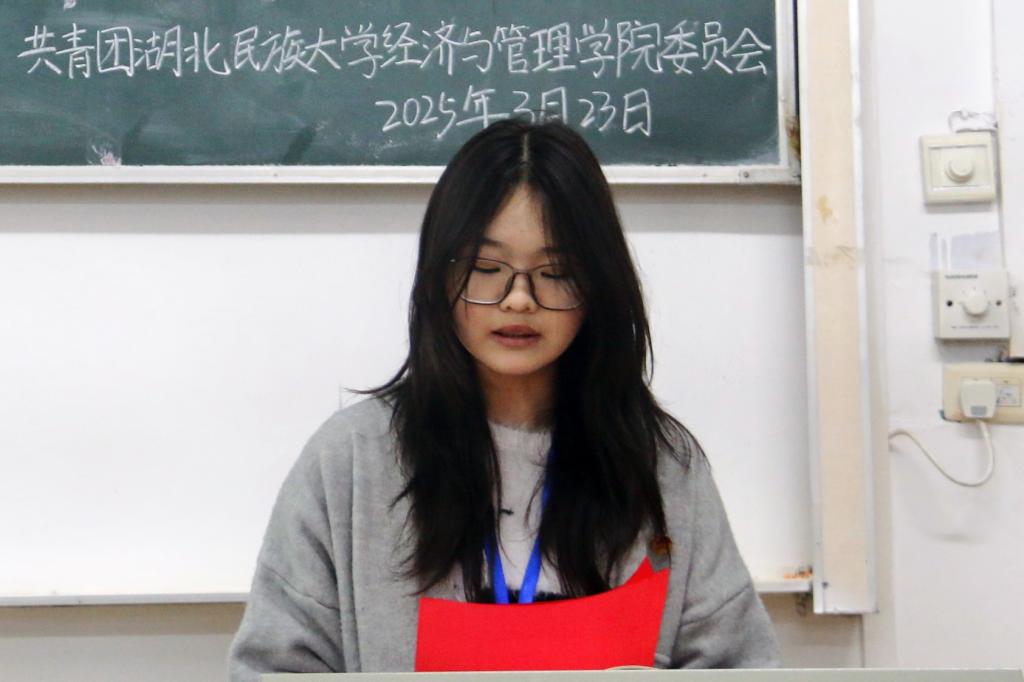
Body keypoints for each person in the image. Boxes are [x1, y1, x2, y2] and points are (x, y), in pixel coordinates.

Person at [227, 119, 780, 679]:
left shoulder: (661, 464)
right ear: (438, 279)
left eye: (555, 272)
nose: (519, 299)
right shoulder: (350, 460)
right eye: (486, 269)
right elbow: (271, 668)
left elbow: (740, 665)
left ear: (598, 286)